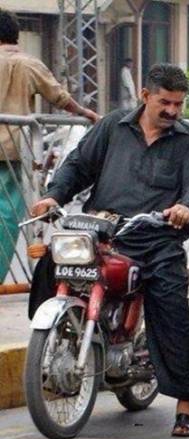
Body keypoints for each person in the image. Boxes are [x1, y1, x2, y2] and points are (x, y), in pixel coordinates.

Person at [30, 63, 189, 437]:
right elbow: (77, 166)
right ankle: (48, 349)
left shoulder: (188, 140)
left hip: (156, 238)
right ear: (145, 96)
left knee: (173, 309)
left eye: (179, 104)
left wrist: (185, 208)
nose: (173, 111)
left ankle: (186, 403)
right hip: (103, 230)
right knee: (50, 264)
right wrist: (52, 196)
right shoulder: (113, 126)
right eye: (165, 102)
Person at [0, 8, 99, 282]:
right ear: (15, 34)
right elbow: (58, 96)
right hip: (13, 154)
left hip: (12, 154)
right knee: (7, 219)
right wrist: (86, 113)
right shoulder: (28, 64)